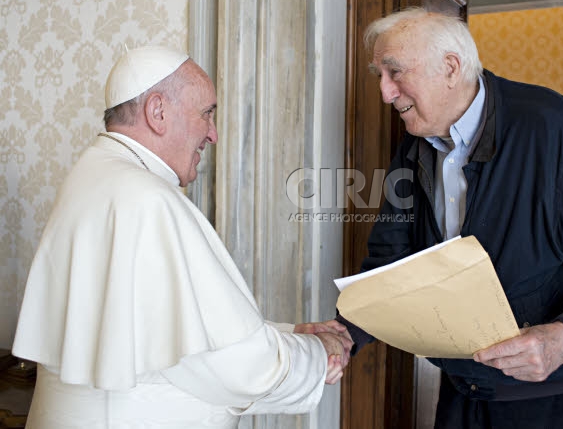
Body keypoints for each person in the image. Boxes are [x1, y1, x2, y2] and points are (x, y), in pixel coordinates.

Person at [336, 7, 563, 429]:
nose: (385, 92)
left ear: (451, 67)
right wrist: (346, 332)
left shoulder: (552, 127)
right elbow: (391, 261)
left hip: (558, 401)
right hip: (464, 391)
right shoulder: (414, 143)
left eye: (395, 72)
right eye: (379, 75)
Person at [12, 45, 352, 429]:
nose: (213, 134)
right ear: (158, 112)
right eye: (206, 113)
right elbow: (239, 369)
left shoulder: (95, 175)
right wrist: (318, 353)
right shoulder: (147, 199)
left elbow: (176, 332)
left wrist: (289, 332)